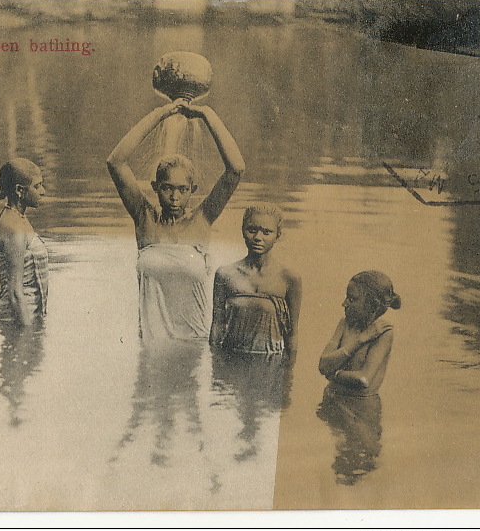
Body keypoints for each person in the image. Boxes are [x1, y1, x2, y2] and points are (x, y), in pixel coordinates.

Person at [106, 100, 245, 340]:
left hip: (195, 342)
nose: (174, 197)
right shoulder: (144, 217)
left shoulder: (202, 219)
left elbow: (236, 169)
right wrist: (160, 114)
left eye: (182, 189)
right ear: (155, 188)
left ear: (193, 190)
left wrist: (207, 114)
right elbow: (115, 162)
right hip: (150, 345)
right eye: (167, 188)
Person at [210, 203, 302, 357]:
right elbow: (217, 326)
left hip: (270, 362)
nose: (258, 238)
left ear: (278, 235)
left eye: (267, 232)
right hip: (231, 360)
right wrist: (214, 366)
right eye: (252, 230)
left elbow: (292, 333)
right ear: (243, 231)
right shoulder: (225, 274)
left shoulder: (289, 278)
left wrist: (288, 376)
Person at [318, 271, 401, 396]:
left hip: (361, 408)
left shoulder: (384, 333)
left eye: (352, 299)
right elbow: (323, 364)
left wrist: (333, 373)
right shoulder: (345, 324)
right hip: (331, 399)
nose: (344, 303)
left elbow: (363, 379)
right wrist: (360, 340)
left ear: (372, 305)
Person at [0, 158, 48, 327]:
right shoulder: (14, 228)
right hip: (17, 320)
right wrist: (28, 336)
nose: (42, 191)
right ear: (19, 190)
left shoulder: (17, 218)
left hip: (25, 315)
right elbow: (15, 293)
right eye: (37, 186)